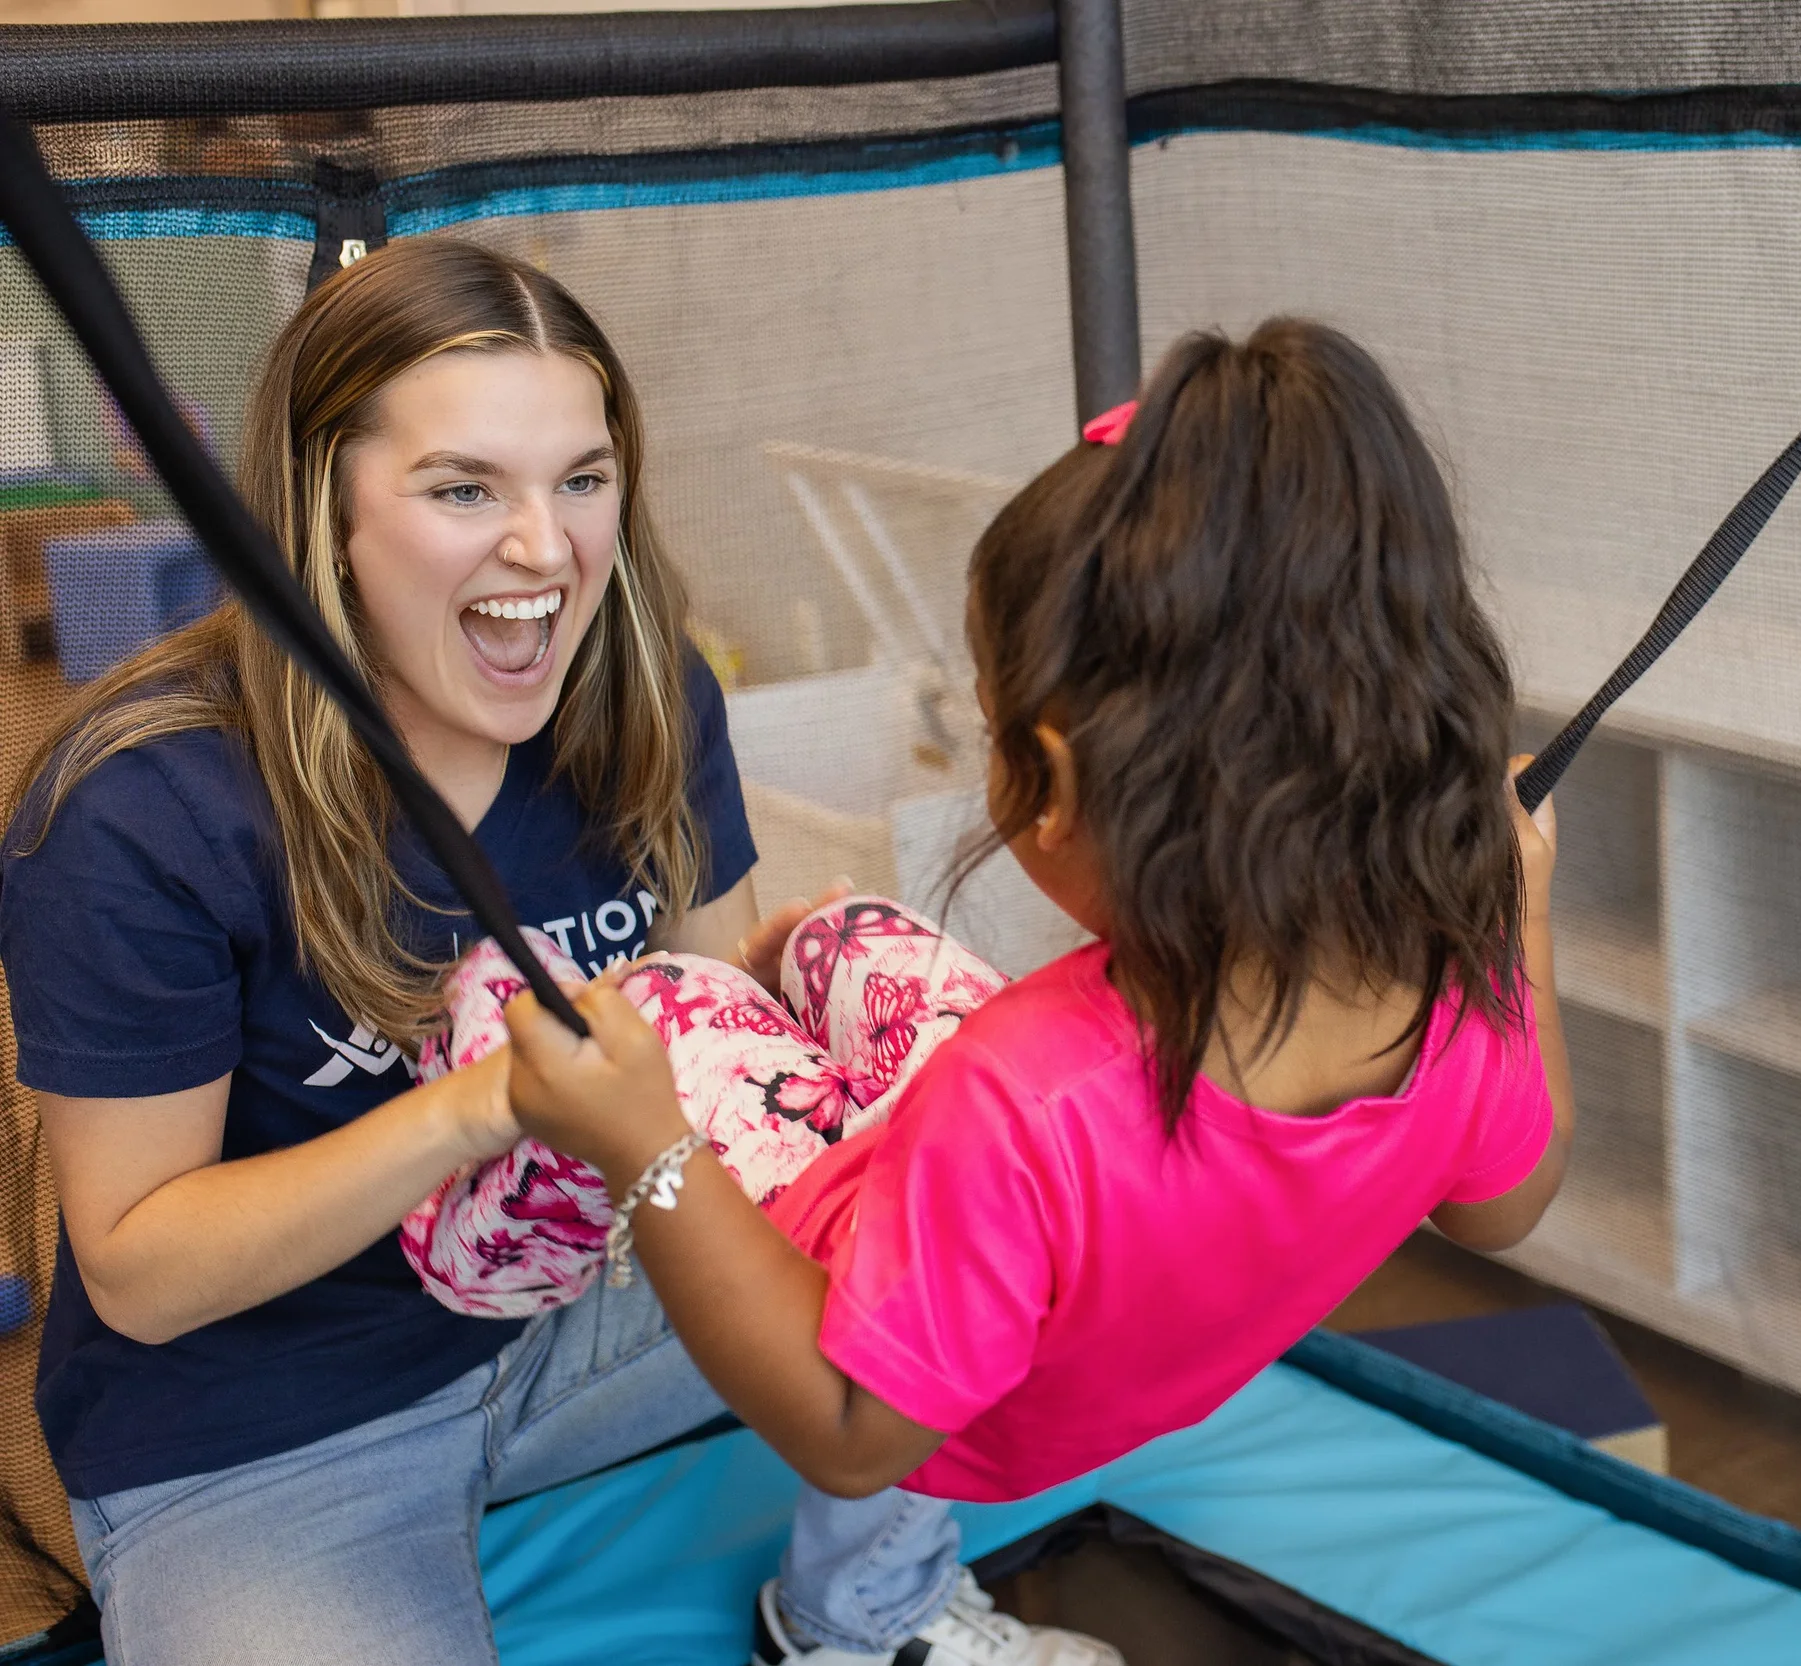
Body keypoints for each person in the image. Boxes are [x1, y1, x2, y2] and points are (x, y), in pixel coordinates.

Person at [0, 237, 1098, 1666]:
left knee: (968, 1187)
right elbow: (141, 1266)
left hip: (585, 1306)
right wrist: (482, 1104)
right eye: (466, 488)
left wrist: (872, 1005)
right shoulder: (146, 801)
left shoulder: (642, 688)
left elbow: (730, 1033)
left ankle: (865, 1609)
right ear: (323, 508)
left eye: (582, 479)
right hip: (266, 1422)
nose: (546, 548)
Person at [497, 318, 1577, 1665]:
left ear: (1052, 781)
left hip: (901, 1314)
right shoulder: (1447, 988)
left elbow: (851, 1432)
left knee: (655, 1006)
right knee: (849, 933)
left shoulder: (1025, 1098)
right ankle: (787, 983)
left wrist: (645, 1149)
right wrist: (1516, 905)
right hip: (1024, 1216)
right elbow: (1506, 1201)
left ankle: (849, 1620)